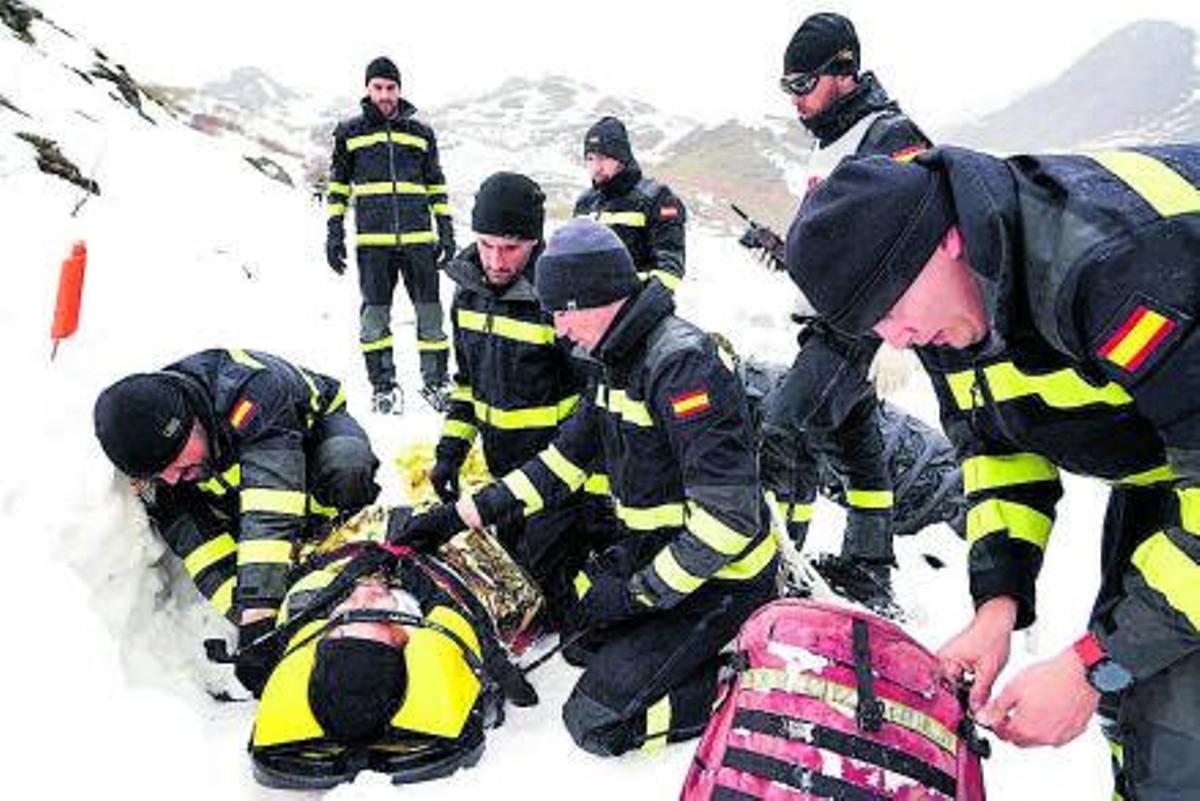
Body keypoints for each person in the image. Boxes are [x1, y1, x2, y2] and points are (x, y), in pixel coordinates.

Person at [786, 145, 1200, 800]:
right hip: (1171, 469)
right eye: (875, 326)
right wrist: (998, 603)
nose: (895, 338)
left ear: (947, 239)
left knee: (1182, 739)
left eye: (891, 310)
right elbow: (998, 442)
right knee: (1138, 704)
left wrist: (1093, 665)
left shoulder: (1110, 265)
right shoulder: (951, 305)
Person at [400, 219, 779, 756]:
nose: (557, 329)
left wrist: (638, 593)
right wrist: (457, 517)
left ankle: (734, 683)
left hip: (724, 578)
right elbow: (560, 465)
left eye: (561, 312)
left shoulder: (682, 366)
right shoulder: (613, 360)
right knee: (580, 639)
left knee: (597, 723)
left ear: (597, 298)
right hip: (662, 554)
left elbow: (729, 523)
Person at [755, 11, 932, 611]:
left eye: (803, 85)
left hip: (854, 330)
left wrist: (896, 339)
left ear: (845, 73)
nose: (796, 101)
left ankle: (783, 560)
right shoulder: (834, 142)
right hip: (830, 324)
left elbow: (928, 228)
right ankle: (870, 566)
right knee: (857, 445)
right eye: (789, 88)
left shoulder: (887, 134)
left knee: (783, 428)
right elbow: (844, 244)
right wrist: (786, 252)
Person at [93, 347, 380, 694]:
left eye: (176, 463)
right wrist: (255, 627)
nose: (170, 479)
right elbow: (199, 547)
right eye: (159, 473)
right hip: (236, 469)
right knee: (195, 512)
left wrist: (261, 613)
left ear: (193, 421)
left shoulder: (252, 392)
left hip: (308, 436)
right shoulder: (161, 462)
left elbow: (271, 511)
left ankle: (340, 539)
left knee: (344, 470)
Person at [247, 506, 537, 789]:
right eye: (379, 613)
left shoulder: (302, 605)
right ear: (404, 638)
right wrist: (416, 573)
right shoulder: (496, 598)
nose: (363, 593)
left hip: (358, 522)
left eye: (343, 621)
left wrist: (355, 570)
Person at [434, 171, 611, 627]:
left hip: (557, 480)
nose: (496, 259)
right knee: (502, 585)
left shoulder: (558, 300)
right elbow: (467, 384)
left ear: (535, 242)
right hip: (502, 475)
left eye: (511, 248)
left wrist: (593, 491)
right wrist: (450, 452)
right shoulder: (466, 296)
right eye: (487, 244)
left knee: (537, 600)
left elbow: (596, 398)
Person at [325, 56, 454, 414]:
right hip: (373, 246)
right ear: (367, 89)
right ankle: (383, 387)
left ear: (400, 89)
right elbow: (338, 187)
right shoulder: (349, 133)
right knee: (374, 319)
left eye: (391, 88)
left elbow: (435, 185)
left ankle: (436, 382)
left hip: (419, 243)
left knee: (431, 316)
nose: (385, 95)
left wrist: (445, 230)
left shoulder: (421, 134)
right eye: (378, 87)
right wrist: (333, 232)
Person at [574, 116, 688, 291]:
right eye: (590, 158)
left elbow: (669, 272)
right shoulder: (585, 203)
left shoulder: (658, 199)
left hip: (638, 310)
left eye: (603, 158)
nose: (596, 167)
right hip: (589, 312)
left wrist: (618, 294)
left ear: (621, 158)